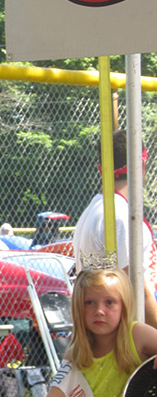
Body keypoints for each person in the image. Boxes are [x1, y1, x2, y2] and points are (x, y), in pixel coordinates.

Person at [73, 129, 157, 327]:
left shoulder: (97, 208)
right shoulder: (119, 217)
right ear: (142, 165)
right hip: (126, 339)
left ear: (101, 168)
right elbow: (137, 291)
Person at [47, 269, 157, 397]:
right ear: (78, 307)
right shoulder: (76, 355)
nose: (99, 311)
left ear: (123, 306)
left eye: (109, 302)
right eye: (89, 302)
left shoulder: (136, 335)